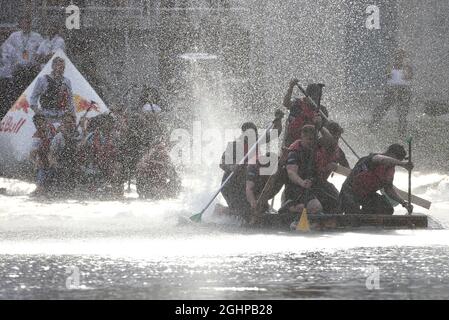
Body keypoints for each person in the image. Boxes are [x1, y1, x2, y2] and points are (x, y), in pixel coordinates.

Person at [220, 112, 283, 221]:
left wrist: (279, 121)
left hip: (248, 180)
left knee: (255, 204)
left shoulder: (257, 140)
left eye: (253, 134)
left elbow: (275, 133)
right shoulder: (234, 145)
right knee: (240, 209)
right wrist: (232, 167)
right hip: (231, 185)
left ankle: (260, 208)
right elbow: (222, 163)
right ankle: (220, 210)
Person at [339, 144, 414, 215]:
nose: (395, 163)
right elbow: (382, 159)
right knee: (353, 214)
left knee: (387, 208)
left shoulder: (390, 169)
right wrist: (402, 164)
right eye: (396, 159)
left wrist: (404, 203)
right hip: (350, 192)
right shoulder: (375, 158)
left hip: (367, 195)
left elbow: (389, 189)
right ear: (389, 153)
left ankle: (367, 220)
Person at [370, 49, 413, 136]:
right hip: (391, 89)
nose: (398, 58)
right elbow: (387, 75)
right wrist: (390, 71)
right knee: (384, 107)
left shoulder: (407, 67)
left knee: (402, 111)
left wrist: (404, 68)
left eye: (401, 56)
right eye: (397, 56)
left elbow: (408, 77)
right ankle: (374, 124)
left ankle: (402, 131)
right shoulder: (390, 66)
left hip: (403, 90)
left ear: (403, 57)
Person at [2, 16, 43, 101]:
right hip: (18, 69)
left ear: (30, 24)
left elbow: (43, 51)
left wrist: (39, 61)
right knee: (17, 92)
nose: (26, 25)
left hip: (32, 69)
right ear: (20, 24)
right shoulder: (14, 36)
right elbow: (5, 50)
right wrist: (9, 65)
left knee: (31, 91)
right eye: (23, 23)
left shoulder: (37, 37)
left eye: (28, 23)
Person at [283, 79, 329, 146]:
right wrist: (291, 87)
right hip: (292, 142)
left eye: (317, 98)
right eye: (313, 98)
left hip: (312, 144)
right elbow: (286, 103)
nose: (315, 100)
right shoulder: (298, 104)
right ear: (307, 96)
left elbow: (326, 131)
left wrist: (321, 124)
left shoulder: (322, 111)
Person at [29, 56, 74, 124]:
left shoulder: (66, 81)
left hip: (61, 116)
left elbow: (70, 99)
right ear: (53, 66)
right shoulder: (42, 80)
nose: (61, 69)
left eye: (63, 67)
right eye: (58, 66)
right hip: (46, 115)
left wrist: (70, 113)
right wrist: (37, 111)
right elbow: (33, 97)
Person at [49, 113, 83, 196]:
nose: (70, 124)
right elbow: (51, 153)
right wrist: (54, 163)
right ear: (63, 124)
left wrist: (84, 129)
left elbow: (81, 147)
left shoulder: (78, 135)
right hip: (61, 164)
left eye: (71, 122)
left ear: (74, 123)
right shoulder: (58, 137)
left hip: (75, 164)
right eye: (67, 122)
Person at [29, 114, 56, 196]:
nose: (40, 126)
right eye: (37, 124)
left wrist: (53, 157)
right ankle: (40, 188)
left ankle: (47, 187)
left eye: (41, 123)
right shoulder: (36, 136)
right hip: (45, 159)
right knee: (42, 168)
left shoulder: (55, 127)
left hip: (58, 154)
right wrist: (35, 162)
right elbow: (32, 153)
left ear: (46, 122)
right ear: (35, 125)